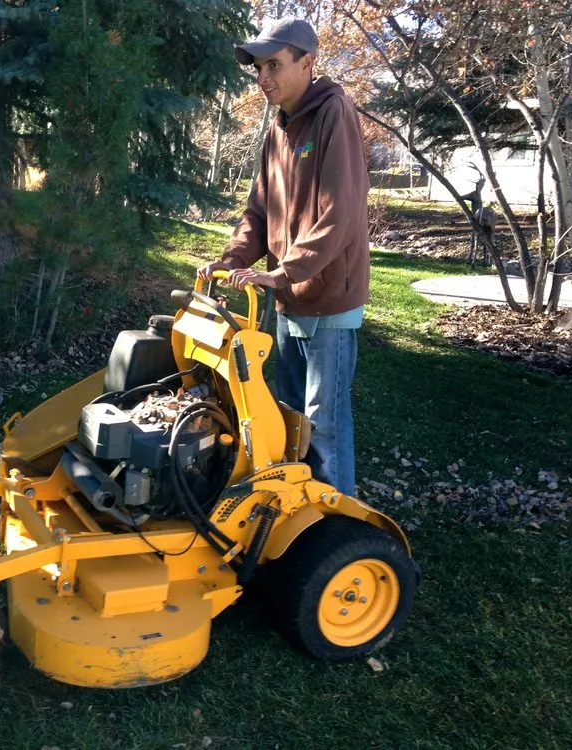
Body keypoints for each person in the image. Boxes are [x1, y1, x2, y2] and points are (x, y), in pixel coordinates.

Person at [198, 17, 370, 496]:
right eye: (258, 67)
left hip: (328, 301)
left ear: (308, 62)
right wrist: (233, 260)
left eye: (273, 64)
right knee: (293, 419)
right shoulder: (280, 127)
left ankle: (337, 527)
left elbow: (341, 214)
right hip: (288, 296)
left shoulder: (335, 113)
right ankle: (303, 512)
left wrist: (283, 272)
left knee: (325, 423)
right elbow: (259, 210)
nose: (263, 77)